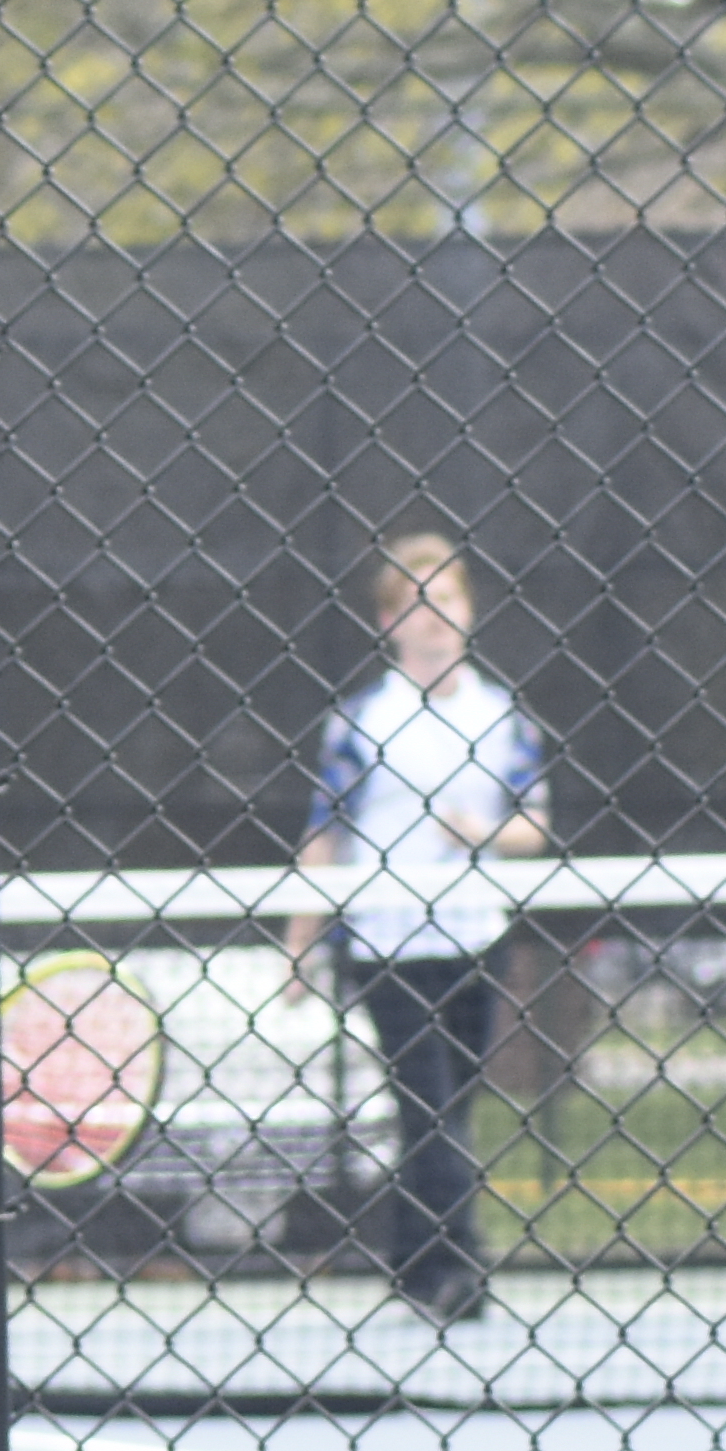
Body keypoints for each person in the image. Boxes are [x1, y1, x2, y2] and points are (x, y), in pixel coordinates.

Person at [282, 527, 549, 1323]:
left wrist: (486, 834)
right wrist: (300, 945)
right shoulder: (361, 721)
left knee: (448, 1109)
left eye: (448, 601)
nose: (434, 619)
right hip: (384, 940)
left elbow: (534, 824)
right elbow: (324, 835)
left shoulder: (504, 717)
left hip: (475, 937)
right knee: (426, 1103)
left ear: (470, 612)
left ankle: (412, 1263)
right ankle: (460, 1270)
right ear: (388, 621)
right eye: (416, 604)